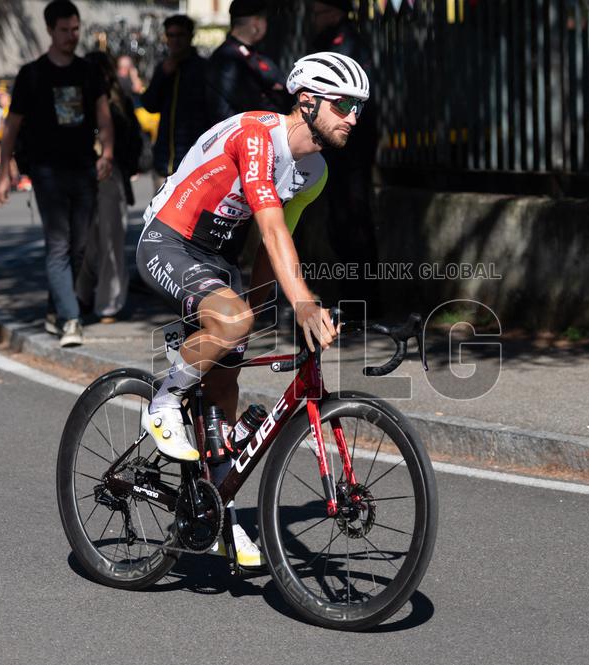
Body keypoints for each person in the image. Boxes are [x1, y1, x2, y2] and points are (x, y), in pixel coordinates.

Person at [135, 51, 370, 566]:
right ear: (307, 102)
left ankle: (219, 513)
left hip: (216, 257)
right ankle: (164, 400)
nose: (353, 116)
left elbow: (273, 246)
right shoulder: (257, 137)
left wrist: (257, 319)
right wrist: (303, 304)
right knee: (230, 321)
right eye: (343, 104)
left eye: (359, 106)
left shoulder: (315, 171)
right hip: (168, 240)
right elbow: (266, 225)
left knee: (229, 377)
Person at [0, 0, 114, 348]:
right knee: (59, 244)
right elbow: (12, 126)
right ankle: (70, 319)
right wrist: (4, 171)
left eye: (75, 29)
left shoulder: (88, 71)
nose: (71, 36)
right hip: (46, 172)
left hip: (83, 169)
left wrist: (106, 152)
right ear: (50, 30)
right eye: (64, 30)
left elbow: (103, 115)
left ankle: (54, 309)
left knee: (78, 247)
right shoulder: (32, 75)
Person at [308, 0, 381, 309]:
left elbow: (346, 97)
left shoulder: (346, 43)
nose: (313, 18)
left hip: (351, 145)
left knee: (352, 222)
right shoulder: (331, 40)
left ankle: (362, 301)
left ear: (334, 12)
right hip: (339, 148)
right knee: (340, 223)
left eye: (318, 12)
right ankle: (354, 299)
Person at [76, 51, 141, 323]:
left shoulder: (119, 101)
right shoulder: (79, 99)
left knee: (111, 241)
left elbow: (132, 139)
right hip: (82, 175)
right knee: (86, 241)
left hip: (111, 175)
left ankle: (109, 303)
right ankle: (82, 294)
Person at [141, 14, 209, 189]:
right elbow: (149, 105)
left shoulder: (203, 69)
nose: (175, 40)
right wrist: (162, 75)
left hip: (194, 163)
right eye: (170, 35)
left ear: (190, 37)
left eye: (180, 35)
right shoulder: (162, 68)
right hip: (164, 162)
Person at [205, 0, 290, 124]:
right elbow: (248, 102)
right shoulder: (226, 58)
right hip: (244, 133)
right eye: (264, 20)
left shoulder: (255, 55)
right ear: (256, 24)